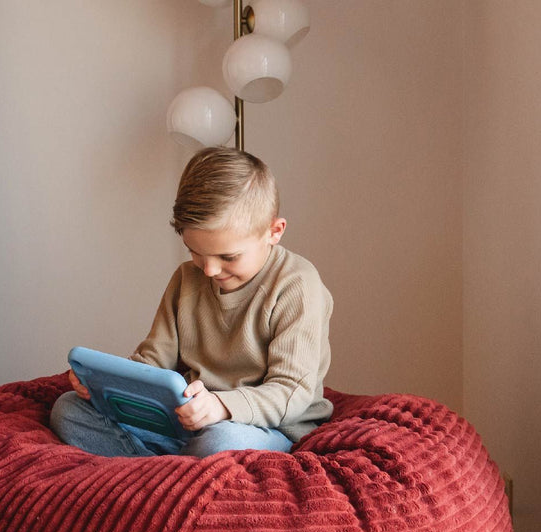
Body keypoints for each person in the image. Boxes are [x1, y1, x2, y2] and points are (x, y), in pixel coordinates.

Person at [50, 146, 333, 457]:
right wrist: (105, 386)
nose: (210, 269)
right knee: (68, 411)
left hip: (266, 427)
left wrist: (222, 406)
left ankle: (165, 470)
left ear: (274, 232)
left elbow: (291, 392)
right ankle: (167, 470)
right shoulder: (186, 279)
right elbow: (154, 361)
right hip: (190, 421)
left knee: (221, 443)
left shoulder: (297, 284)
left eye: (229, 257)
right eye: (195, 252)